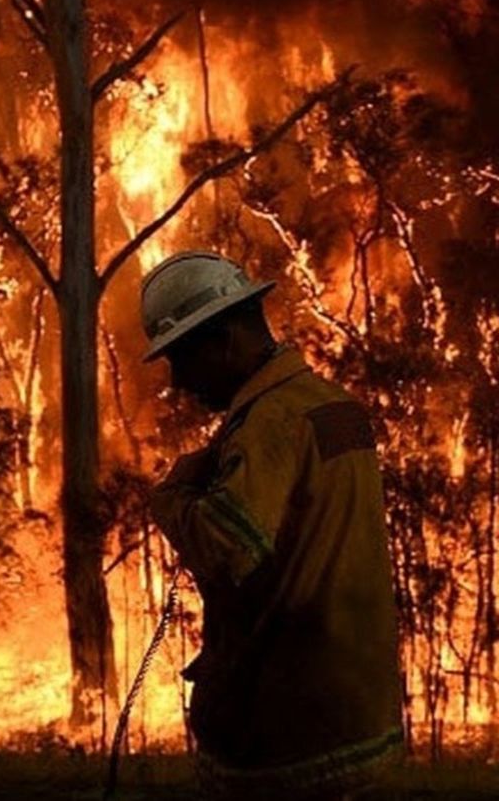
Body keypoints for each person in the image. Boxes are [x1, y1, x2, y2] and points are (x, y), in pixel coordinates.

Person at [141, 250, 402, 800]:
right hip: (360, 712)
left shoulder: (270, 423)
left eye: (182, 358)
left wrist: (172, 499)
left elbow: (227, 546)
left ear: (224, 339)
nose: (179, 381)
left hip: (288, 733)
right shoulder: (333, 404)